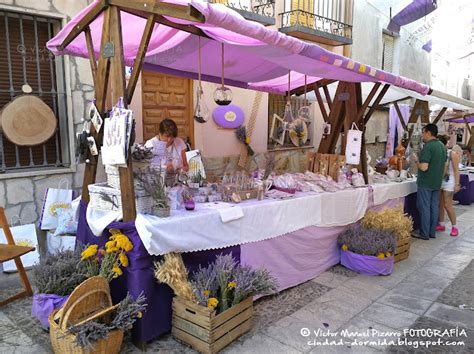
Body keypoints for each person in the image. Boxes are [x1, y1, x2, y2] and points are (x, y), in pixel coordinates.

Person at [411, 124, 446, 240]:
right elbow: (444, 165)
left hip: (426, 182)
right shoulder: (442, 146)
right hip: (437, 181)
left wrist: (416, 161)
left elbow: (424, 167)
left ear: (429, 133)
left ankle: (424, 233)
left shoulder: (428, 147)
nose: (422, 135)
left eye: (423, 132)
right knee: (433, 207)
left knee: (424, 207)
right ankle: (431, 232)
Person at [436, 135, 461, 237]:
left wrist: (457, 184)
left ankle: (454, 226)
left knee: (447, 205)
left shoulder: (452, 154)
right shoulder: (437, 153)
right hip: (439, 180)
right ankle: (441, 224)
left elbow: (456, 170)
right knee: (440, 204)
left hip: (449, 180)